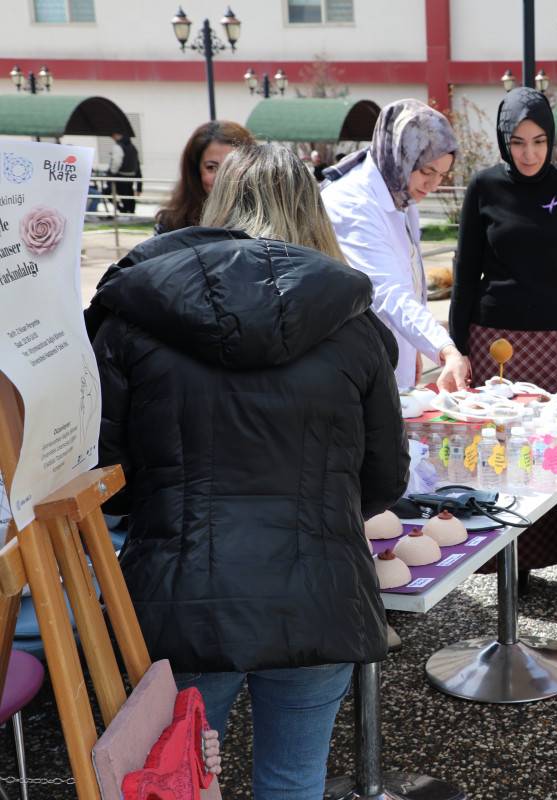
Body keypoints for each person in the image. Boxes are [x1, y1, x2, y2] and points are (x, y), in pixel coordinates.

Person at [88, 143, 407, 799]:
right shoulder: (354, 326)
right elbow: (384, 481)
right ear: (312, 213)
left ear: (220, 203)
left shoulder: (136, 319)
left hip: (180, 601)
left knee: (175, 777)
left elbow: (105, 478)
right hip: (318, 595)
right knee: (292, 780)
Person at [449, 87, 557, 600]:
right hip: (498, 341)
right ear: (504, 142)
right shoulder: (483, 187)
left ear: (552, 140)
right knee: (510, 453)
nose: (529, 153)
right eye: (519, 141)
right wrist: (458, 347)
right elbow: (465, 273)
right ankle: (517, 562)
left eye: (539, 141)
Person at [322, 99, 471, 393]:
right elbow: (388, 290)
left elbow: (411, 276)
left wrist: (414, 346)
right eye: (427, 171)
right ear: (402, 154)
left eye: (442, 175)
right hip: (358, 365)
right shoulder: (352, 203)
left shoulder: (400, 191)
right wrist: (442, 347)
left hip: (391, 354)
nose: (433, 185)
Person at [154, 120, 255, 234]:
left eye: (232, 166)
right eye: (211, 167)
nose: (221, 178)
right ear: (196, 171)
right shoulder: (171, 224)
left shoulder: (267, 223)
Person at [107, 131, 141, 215]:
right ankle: (130, 212)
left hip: (120, 175)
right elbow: (137, 165)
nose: (113, 137)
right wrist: (139, 186)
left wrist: (111, 173)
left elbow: (116, 162)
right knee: (129, 195)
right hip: (131, 175)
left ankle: (123, 211)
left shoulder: (118, 146)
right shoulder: (133, 147)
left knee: (108, 192)